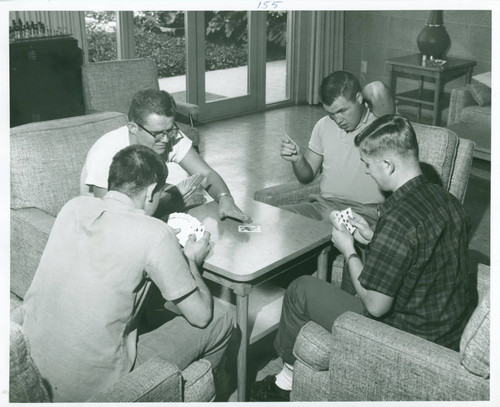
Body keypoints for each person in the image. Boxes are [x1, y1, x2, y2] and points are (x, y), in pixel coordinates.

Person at [250, 115, 473, 402]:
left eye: (368, 165)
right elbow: (420, 253)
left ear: (389, 165)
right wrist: (373, 237)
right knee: (356, 264)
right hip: (444, 328)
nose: (367, 172)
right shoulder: (447, 201)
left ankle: (284, 384)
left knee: (300, 289)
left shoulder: (398, 217)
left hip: (405, 337)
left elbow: (377, 306)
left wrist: (349, 249)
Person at [23, 144, 235, 402]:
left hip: (33, 370)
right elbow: (201, 317)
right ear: (150, 193)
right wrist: (190, 261)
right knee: (223, 316)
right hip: (95, 390)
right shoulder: (156, 234)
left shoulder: (73, 208)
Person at [81, 88, 251, 222]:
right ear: (133, 128)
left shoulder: (168, 134)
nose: (165, 139)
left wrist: (225, 198)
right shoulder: (106, 153)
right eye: (157, 133)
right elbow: (110, 216)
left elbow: (206, 175)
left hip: (146, 204)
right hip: (108, 220)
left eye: (170, 130)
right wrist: (163, 204)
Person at [280, 72, 394, 226]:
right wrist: (298, 160)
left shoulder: (382, 126)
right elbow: (306, 177)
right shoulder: (323, 125)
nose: (338, 120)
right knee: (279, 218)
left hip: (362, 213)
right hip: (323, 207)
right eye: (331, 113)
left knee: (325, 230)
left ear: (359, 98)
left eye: (342, 111)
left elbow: (377, 89)